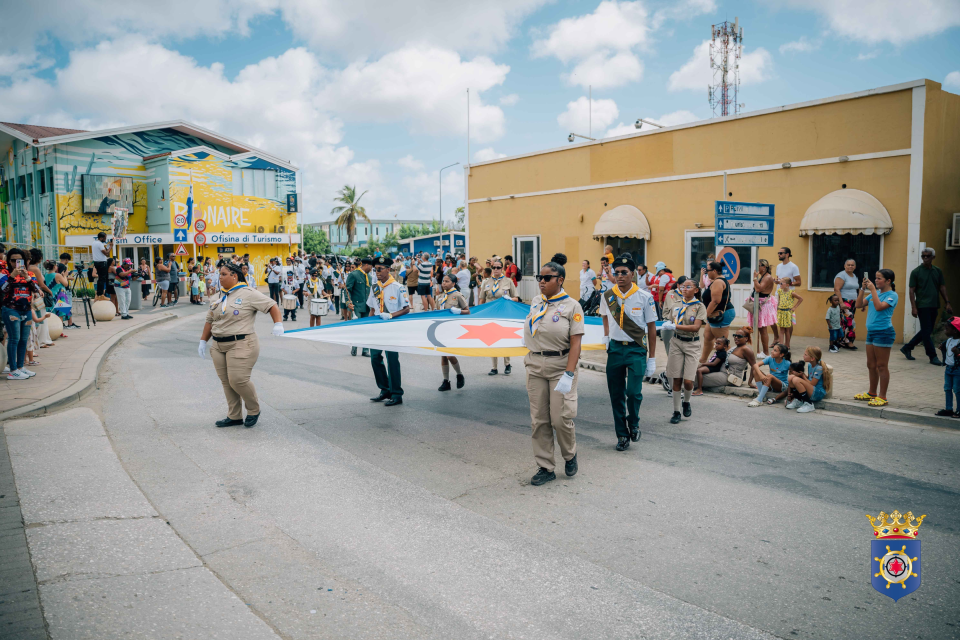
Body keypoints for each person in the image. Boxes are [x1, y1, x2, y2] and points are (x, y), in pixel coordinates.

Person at [523, 253, 584, 486]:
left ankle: (570, 454)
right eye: (540, 277)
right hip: (536, 364)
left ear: (560, 280)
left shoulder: (572, 306)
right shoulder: (537, 301)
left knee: (560, 419)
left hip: (561, 366)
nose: (541, 281)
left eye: (547, 277)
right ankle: (545, 466)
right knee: (539, 420)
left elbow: (576, 343)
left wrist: (569, 374)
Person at [198, 261, 283, 428]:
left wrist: (278, 323)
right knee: (226, 382)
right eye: (219, 274)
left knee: (238, 380)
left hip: (242, 342)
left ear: (234, 276)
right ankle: (234, 415)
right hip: (218, 345)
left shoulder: (248, 293)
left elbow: (272, 305)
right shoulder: (217, 296)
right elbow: (210, 320)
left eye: (223, 274)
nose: (219, 277)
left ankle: (253, 409)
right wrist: (203, 341)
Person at [600, 255, 658, 450]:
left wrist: (652, 358)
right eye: (616, 273)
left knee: (633, 393)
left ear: (632, 274)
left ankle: (633, 422)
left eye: (624, 272)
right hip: (615, 349)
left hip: (636, 349)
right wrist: (606, 337)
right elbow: (605, 317)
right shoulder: (607, 295)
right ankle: (622, 435)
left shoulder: (645, 297)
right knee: (616, 395)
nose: (620, 276)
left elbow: (651, 328)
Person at [661, 279, 707, 423]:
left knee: (688, 381)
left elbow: (695, 327)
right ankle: (676, 411)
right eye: (682, 286)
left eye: (688, 287)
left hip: (692, 344)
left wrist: (675, 327)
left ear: (696, 290)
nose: (684, 289)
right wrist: (668, 325)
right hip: (676, 342)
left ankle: (686, 401)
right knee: (676, 379)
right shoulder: (676, 305)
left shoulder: (699, 307)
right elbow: (669, 319)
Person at [367, 256, 410, 406]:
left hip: (392, 327)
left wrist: (391, 315)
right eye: (375, 269)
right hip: (377, 327)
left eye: (379, 269)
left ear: (388, 269)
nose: (377, 272)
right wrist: (368, 325)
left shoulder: (398, 287)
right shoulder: (375, 287)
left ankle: (397, 393)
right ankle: (384, 389)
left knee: (392, 360)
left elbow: (406, 309)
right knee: (375, 358)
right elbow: (372, 308)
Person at [856, 268, 898, 407]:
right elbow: (858, 305)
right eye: (875, 278)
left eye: (879, 278)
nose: (876, 280)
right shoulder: (875, 294)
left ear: (888, 281)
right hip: (871, 332)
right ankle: (872, 393)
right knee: (871, 365)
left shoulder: (892, 295)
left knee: (881, 365)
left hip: (884, 333)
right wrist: (862, 289)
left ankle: (883, 396)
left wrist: (873, 290)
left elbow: (880, 307)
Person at [903, 248, 952, 365]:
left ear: (933, 257)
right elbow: (911, 290)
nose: (925, 258)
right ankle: (932, 356)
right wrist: (913, 307)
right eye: (923, 256)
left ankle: (907, 347)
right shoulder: (916, 272)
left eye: (928, 256)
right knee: (927, 332)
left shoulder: (937, 271)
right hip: (922, 305)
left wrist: (947, 302)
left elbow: (942, 287)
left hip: (934, 304)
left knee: (927, 330)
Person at [2, 252, 41, 379]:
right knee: (14, 339)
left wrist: (27, 278)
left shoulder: (30, 274)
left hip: (27, 309)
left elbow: (36, 290)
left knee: (23, 339)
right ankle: (13, 370)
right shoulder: (5, 274)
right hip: (11, 309)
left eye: (19, 260)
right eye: (13, 260)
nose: (16, 263)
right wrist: (12, 277)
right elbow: (2, 290)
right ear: (8, 261)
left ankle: (20, 367)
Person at [479, 260, 519, 376]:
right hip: (490, 315)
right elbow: (482, 299)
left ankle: (507, 364)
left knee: (505, 339)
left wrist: (510, 299)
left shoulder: (508, 281)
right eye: (494, 267)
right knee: (492, 340)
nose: (496, 269)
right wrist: (480, 313)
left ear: (502, 268)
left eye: (498, 267)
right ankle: (494, 367)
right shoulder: (486, 282)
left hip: (504, 314)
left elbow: (516, 298)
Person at [436, 274, 470, 391]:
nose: (444, 283)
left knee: (449, 354)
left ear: (453, 283)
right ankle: (446, 381)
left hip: (453, 328)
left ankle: (459, 374)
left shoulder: (457, 296)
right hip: (441, 328)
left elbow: (468, 311)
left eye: (447, 281)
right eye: (443, 281)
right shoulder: (440, 297)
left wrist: (459, 311)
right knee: (443, 355)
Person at [701, 261, 735, 362]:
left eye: (708, 271)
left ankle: (729, 363)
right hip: (714, 314)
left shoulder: (718, 282)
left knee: (722, 343)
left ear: (715, 271)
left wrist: (704, 315)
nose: (707, 273)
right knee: (707, 336)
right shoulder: (717, 280)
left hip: (720, 314)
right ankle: (703, 360)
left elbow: (716, 301)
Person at [786, 346, 830, 413]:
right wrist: (800, 375)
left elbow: (812, 384)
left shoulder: (819, 368)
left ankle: (809, 404)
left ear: (812, 358)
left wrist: (802, 376)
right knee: (791, 377)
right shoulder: (810, 365)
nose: (803, 356)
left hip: (818, 393)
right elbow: (809, 379)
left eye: (805, 355)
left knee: (796, 380)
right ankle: (799, 400)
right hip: (811, 390)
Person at [748, 343, 791, 407]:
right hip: (770, 383)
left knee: (769, 376)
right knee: (756, 371)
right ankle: (762, 396)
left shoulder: (787, 363)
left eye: (775, 351)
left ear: (781, 355)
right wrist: (761, 375)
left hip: (781, 386)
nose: (772, 351)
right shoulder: (770, 358)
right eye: (773, 349)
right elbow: (755, 365)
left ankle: (759, 400)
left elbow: (793, 376)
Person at [345, 258, 373, 357]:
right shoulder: (354, 274)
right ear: (366, 265)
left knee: (366, 328)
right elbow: (347, 289)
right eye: (371, 266)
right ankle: (354, 347)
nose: (372, 268)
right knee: (357, 328)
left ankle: (365, 350)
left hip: (367, 306)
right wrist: (348, 302)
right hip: (356, 305)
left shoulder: (369, 277)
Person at [750, 259, 777, 357]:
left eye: (759, 266)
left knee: (762, 329)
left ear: (764, 267)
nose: (757, 268)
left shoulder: (767, 277)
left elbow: (758, 288)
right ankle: (756, 351)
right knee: (755, 328)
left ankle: (765, 352)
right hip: (757, 303)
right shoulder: (763, 276)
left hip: (762, 305)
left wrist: (754, 278)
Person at [773, 247, 801, 342]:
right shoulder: (778, 266)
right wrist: (777, 282)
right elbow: (779, 279)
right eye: (778, 253)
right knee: (778, 319)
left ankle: (787, 343)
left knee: (788, 321)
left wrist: (787, 284)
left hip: (788, 295)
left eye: (781, 253)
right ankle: (778, 340)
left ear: (787, 254)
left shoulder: (793, 267)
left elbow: (799, 282)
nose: (779, 255)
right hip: (778, 293)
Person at [833, 258, 860, 350]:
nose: (850, 266)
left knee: (846, 322)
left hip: (853, 302)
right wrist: (841, 303)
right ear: (844, 266)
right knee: (850, 321)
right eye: (848, 265)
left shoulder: (854, 276)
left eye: (852, 265)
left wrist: (861, 302)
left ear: (855, 267)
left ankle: (843, 341)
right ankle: (849, 342)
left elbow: (857, 289)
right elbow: (837, 289)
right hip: (845, 301)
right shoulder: (841, 275)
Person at [937, 317, 960, 417]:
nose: (945, 331)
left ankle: (959, 410)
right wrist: (942, 347)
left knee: (957, 389)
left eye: (947, 329)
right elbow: (945, 347)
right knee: (947, 388)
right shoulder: (948, 341)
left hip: (958, 370)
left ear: (955, 330)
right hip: (948, 369)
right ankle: (949, 409)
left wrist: (958, 353)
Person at [775, 277, 803, 349]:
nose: (780, 284)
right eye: (779, 283)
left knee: (787, 330)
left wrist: (794, 307)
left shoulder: (791, 292)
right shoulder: (779, 291)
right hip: (781, 312)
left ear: (787, 284)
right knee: (781, 329)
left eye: (781, 283)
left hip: (787, 312)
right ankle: (781, 346)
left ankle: (786, 345)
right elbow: (779, 301)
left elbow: (800, 299)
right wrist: (777, 309)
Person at [45, 261, 73, 331]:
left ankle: (52, 330)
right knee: (60, 315)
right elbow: (66, 284)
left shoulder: (46, 275)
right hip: (60, 296)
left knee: (53, 314)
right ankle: (59, 331)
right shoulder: (57, 275)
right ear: (54, 266)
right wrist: (65, 276)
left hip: (51, 296)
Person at [91, 231, 113, 297]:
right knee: (102, 278)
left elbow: (105, 252)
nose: (105, 239)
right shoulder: (100, 244)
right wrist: (110, 247)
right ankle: (100, 294)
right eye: (105, 238)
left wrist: (107, 246)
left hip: (96, 262)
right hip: (102, 263)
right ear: (101, 238)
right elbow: (106, 253)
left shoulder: (94, 242)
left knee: (100, 278)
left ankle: (99, 293)